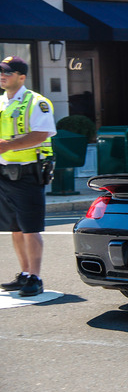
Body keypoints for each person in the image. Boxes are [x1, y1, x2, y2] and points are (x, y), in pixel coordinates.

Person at [0, 56, 57, 297]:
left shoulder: (37, 102)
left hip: (27, 173)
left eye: (7, 73)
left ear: (21, 77)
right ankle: (24, 274)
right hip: (4, 173)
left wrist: (6, 146)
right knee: (15, 228)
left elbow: (41, 134)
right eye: (1, 72)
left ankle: (35, 276)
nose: (2, 76)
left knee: (31, 228)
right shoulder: (2, 101)